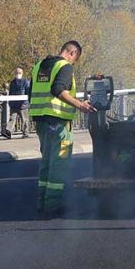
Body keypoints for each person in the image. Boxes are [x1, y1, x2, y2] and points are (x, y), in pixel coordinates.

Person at [28, 41, 95, 216]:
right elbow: (58, 89)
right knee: (59, 163)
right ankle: (53, 206)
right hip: (59, 122)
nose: (73, 63)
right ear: (72, 53)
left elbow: (31, 94)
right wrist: (80, 105)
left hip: (41, 121)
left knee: (46, 162)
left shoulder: (39, 66)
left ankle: (42, 202)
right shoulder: (64, 66)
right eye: (75, 59)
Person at [2, 67, 31, 139]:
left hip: (22, 104)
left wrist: (26, 102)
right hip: (14, 104)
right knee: (12, 118)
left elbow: (28, 92)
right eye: (16, 73)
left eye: (19, 73)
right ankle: (8, 132)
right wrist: (10, 102)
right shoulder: (12, 82)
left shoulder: (25, 81)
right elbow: (11, 93)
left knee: (25, 119)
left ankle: (26, 133)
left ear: (22, 73)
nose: (18, 74)